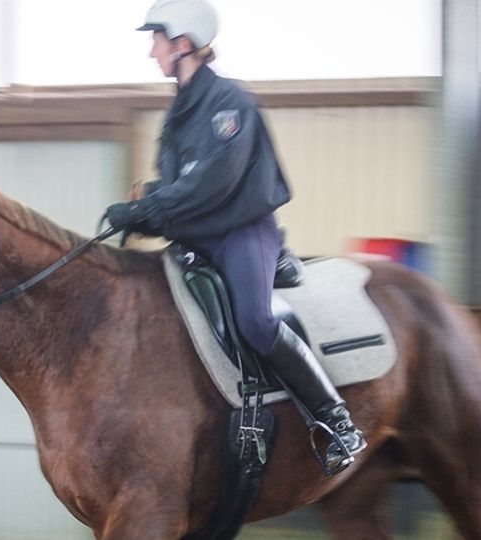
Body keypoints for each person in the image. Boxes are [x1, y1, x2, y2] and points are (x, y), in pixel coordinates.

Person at [104, 0, 366, 473]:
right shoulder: (179, 112)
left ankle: (336, 423)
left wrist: (149, 207)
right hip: (196, 235)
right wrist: (140, 214)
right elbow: (180, 185)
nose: (151, 51)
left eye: (157, 40)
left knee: (255, 321)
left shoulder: (230, 104)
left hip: (241, 233)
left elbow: (213, 183)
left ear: (182, 44)